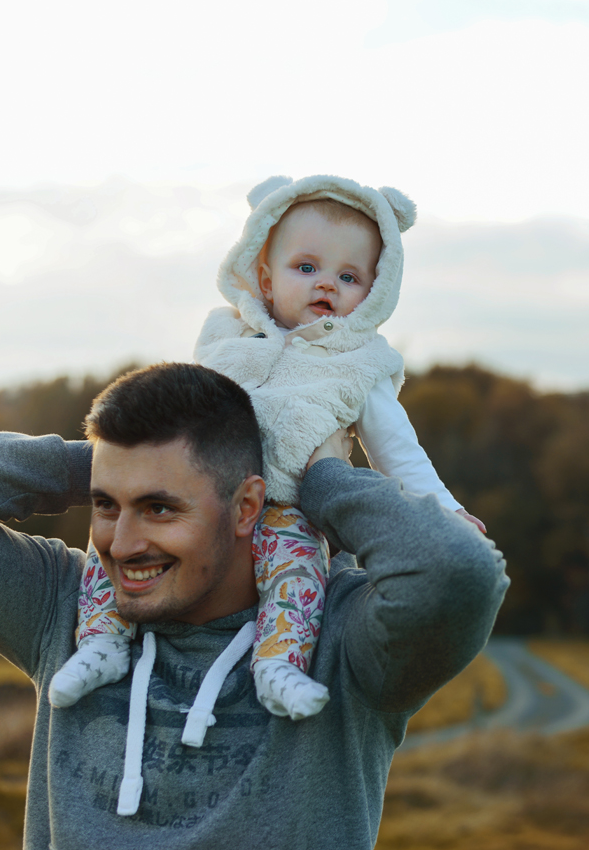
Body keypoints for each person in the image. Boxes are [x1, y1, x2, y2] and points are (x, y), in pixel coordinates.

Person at [0, 361, 508, 850]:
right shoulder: (66, 609)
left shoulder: (344, 640)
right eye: (107, 506)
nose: (122, 543)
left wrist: (314, 478)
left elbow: (457, 570)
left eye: (159, 507)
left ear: (249, 504)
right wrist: (106, 464)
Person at [49, 175, 484, 724]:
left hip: (287, 507)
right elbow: (176, 420)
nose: (326, 285)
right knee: (117, 546)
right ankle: (100, 643)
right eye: (306, 268)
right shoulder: (224, 340)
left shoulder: (360, 365)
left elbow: (399, 452)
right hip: (205, 498)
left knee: (298, 572)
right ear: (264, 276)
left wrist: (446, 511)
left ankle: (278, 664)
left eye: (349, 277)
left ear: (375, 292)